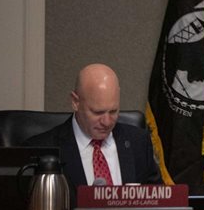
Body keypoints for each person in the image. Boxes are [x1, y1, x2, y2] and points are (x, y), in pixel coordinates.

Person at [23, 63, 161, 199]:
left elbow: (159, 204)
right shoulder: (43, 149)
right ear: (75, 102)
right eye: (97, 112)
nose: (107, 122)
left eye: (113, 111)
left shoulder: (139, 142)